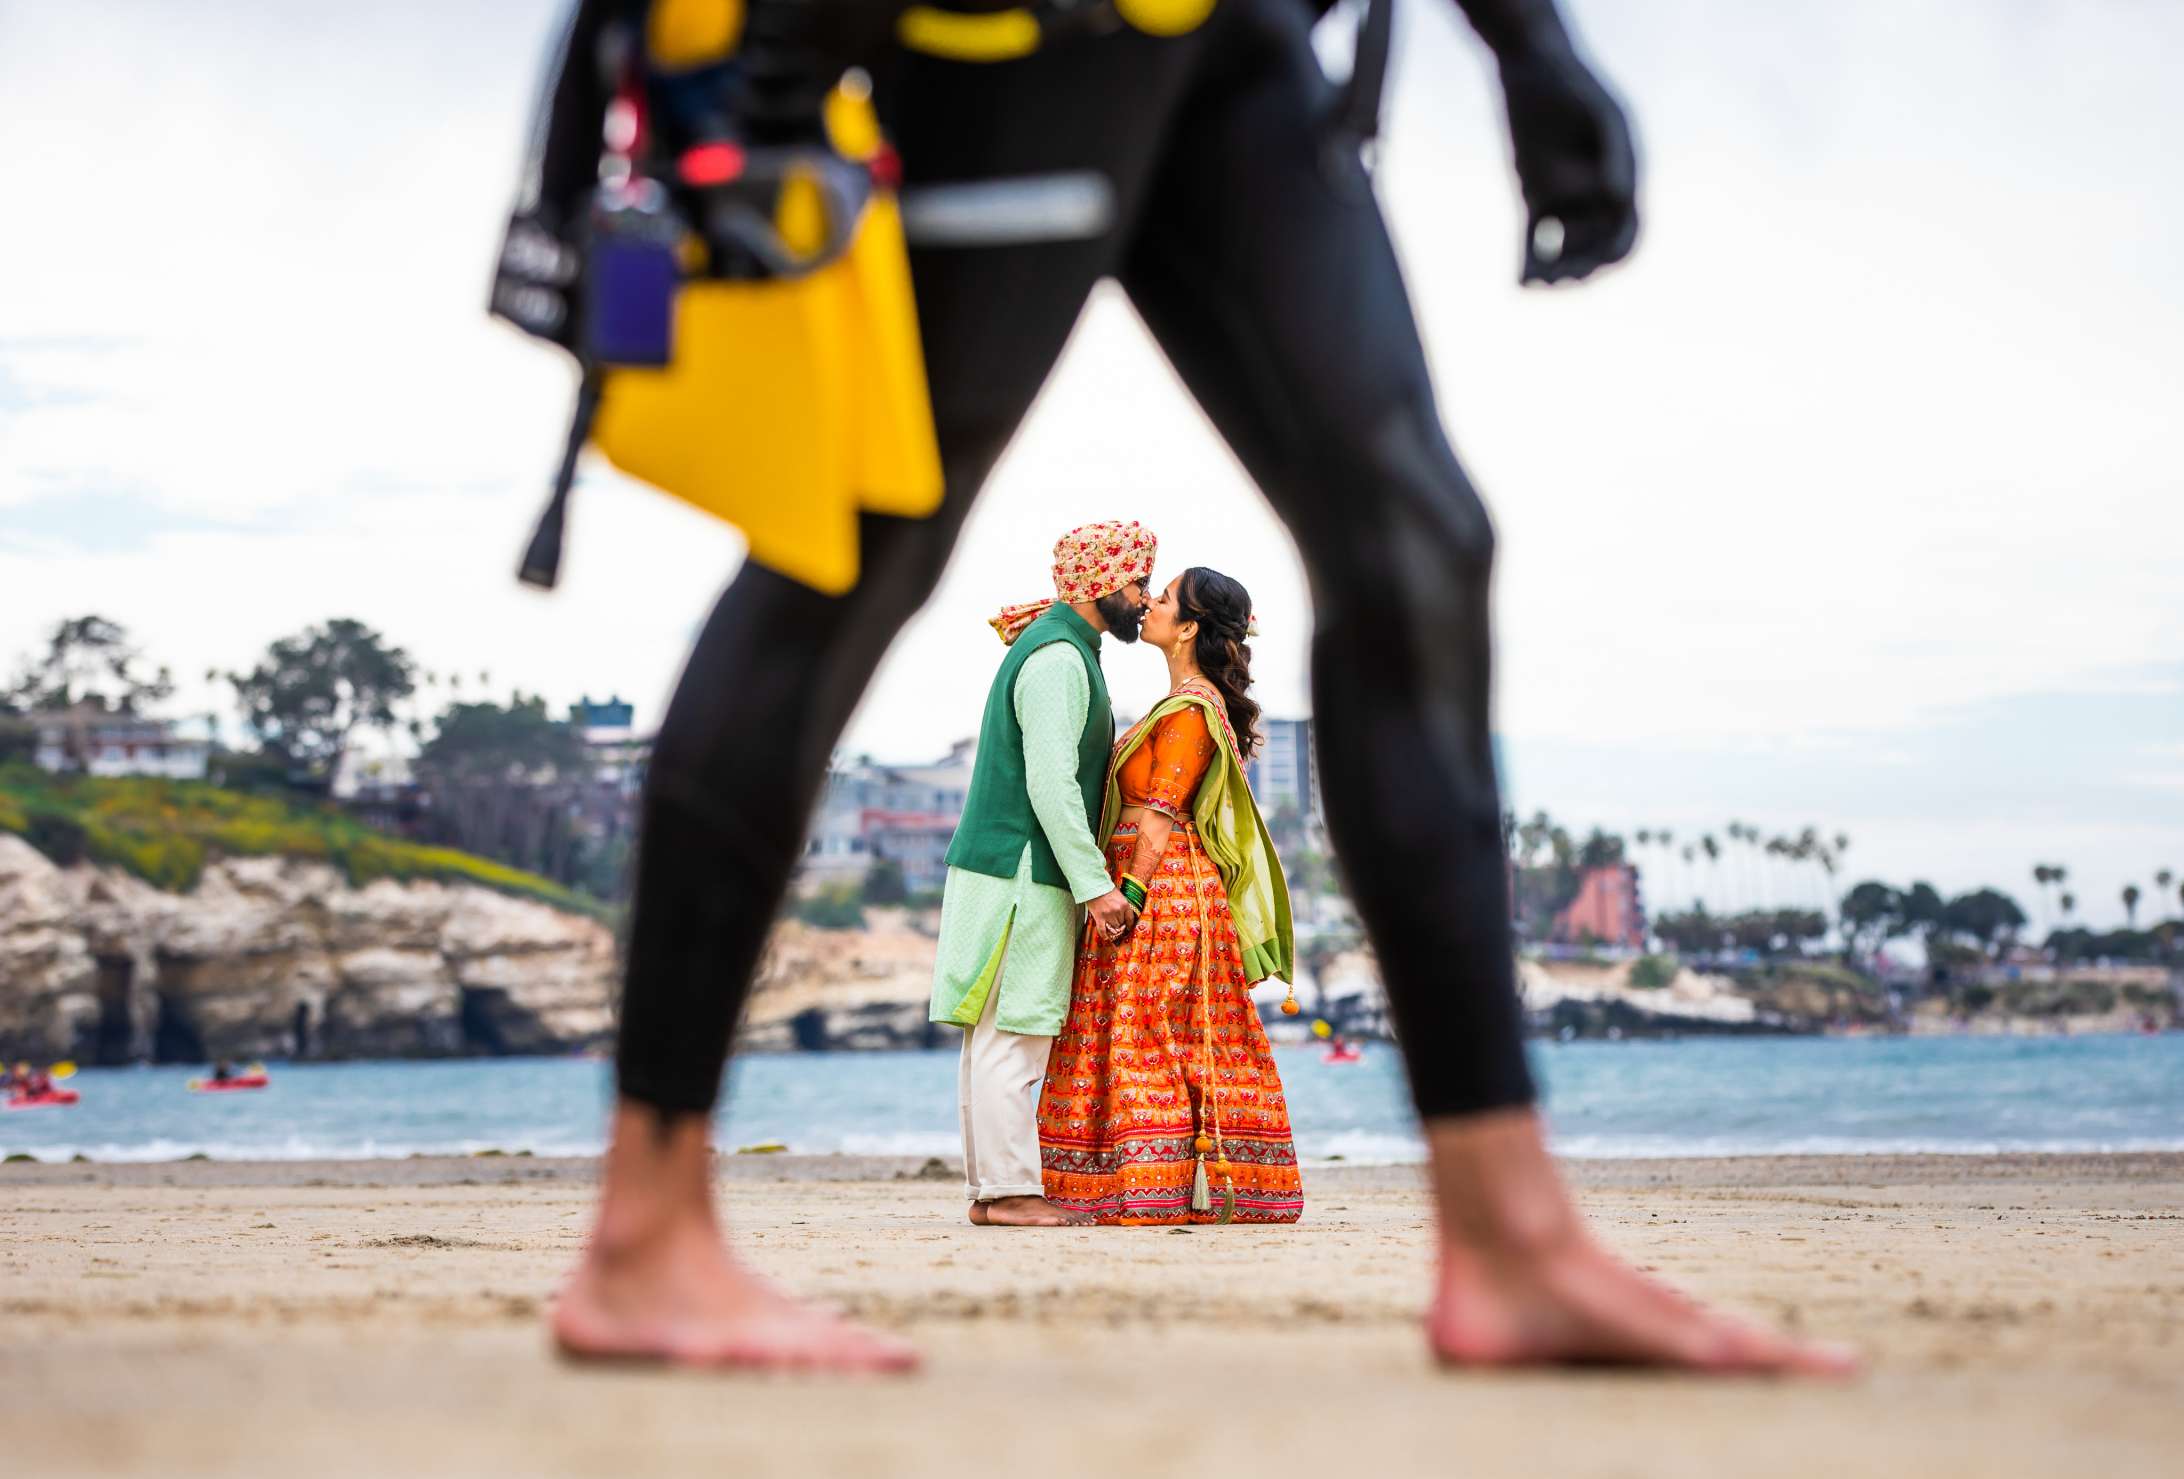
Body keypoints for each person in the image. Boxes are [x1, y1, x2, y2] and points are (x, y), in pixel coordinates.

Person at [534, 0, 1852, 1376]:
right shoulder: (1066, 664)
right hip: (1011, 42)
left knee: (1416, 540)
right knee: (849, 554)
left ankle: (1513, 1243)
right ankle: (646, 1239)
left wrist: (1529, 45)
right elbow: (1063, 781)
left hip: (1233, 41)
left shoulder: (1132, 681)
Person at [1039, 568, 1302, 1224]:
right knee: (1154, 1035)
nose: (1147, 605)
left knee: (1151, 1036)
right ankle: (1157, 1186)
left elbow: (1160, 813)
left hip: (1164, 894)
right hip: (1158, 889)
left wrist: (1125, 895)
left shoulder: (1190, 709)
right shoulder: (1184, 701)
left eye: (1161, 599)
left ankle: (1170, 1190)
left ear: (1188, 627)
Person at [931, 521, 1151, 1227]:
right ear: (1101, 586)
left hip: (1001, 864)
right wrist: (1096, 887)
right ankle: (1010, 1193)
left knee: (994, 1033)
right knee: (1016, 1033)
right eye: (1139, 583)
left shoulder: (1057, 647)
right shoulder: (1059, 659)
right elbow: (1052, 785)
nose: (1145, 599)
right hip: (1025, 867)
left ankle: (993, 1192)